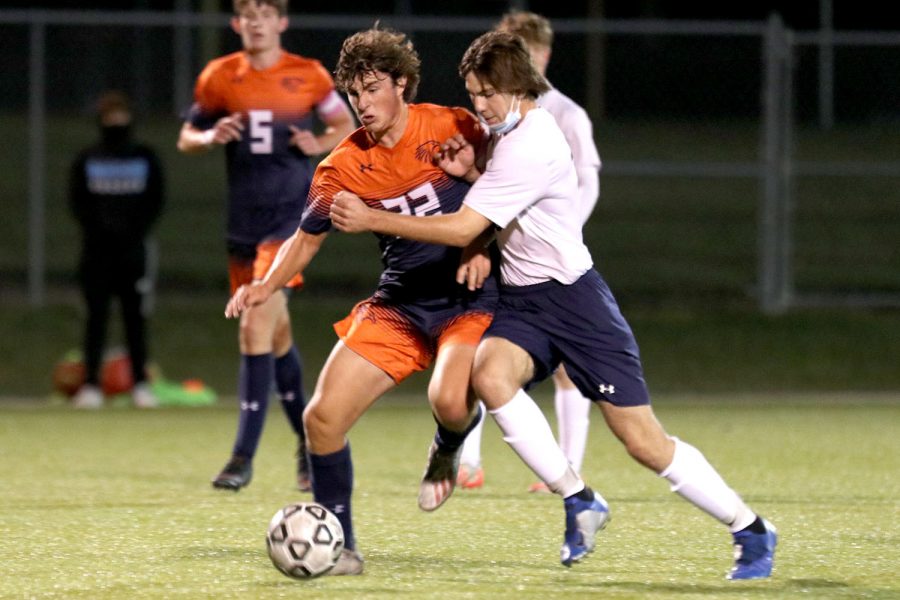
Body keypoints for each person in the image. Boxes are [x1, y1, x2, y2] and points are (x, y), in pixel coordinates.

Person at [330, 31, 777, 579]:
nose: (479, 107)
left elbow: (468, 224)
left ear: (517, 87)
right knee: (490, 377)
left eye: (487, 94)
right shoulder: (510, 133)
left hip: (576, 304)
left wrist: (373, 219)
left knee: (642, 441)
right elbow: (509, 206)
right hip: (523, 300)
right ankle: (579, 499)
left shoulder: (531, 142)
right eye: (472, 94)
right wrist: (472, 173)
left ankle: (750, 529)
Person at [225, 27, 497, 575]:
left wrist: (485, 245)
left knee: (449, 401)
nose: (362, 103)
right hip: (400, 303)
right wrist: (265, 285)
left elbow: (506, 185)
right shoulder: (342, 165)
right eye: (353, 93)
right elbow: (306, 239)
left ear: (401, 83)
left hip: (466, 298)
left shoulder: (454, 125)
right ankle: (343, 546)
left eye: (373, 88)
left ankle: (448, 445)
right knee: (321, 418)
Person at [176, 0, 356, 492]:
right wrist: (212, 134)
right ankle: (307, 443)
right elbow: (186, 137)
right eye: (247, 15)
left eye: (265, 14)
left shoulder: (309, 75)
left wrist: (316, 145)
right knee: (275, 338)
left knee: (254, 323)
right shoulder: (219, 76)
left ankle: (241, 458)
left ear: (282, 21)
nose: (256, 23)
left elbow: (345, 126)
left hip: (288, 222)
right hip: (243, 224)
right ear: (237, 24)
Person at [456, 10, 602, 494]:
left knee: (565, 370)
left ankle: (567, 466)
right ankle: (468, 459)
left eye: (525, 49)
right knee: (478, 349)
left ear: (541, 55)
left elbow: (587, 183)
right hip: (502, 249)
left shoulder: (565, 115)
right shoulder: (498, 110)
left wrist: (560, 234)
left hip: (552, 261)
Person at [69, 90, 165, 410]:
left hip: (133, 252)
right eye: (109, 115)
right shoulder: (88, 158)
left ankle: (140, 384)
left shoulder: (145, 157)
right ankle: (91, 385)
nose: (116, 121)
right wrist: (100, 232)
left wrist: (132, 232)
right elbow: (78, 203)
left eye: (120, 114)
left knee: (135, 319)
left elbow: (155, 200)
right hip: (96, 253)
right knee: (95, 319)